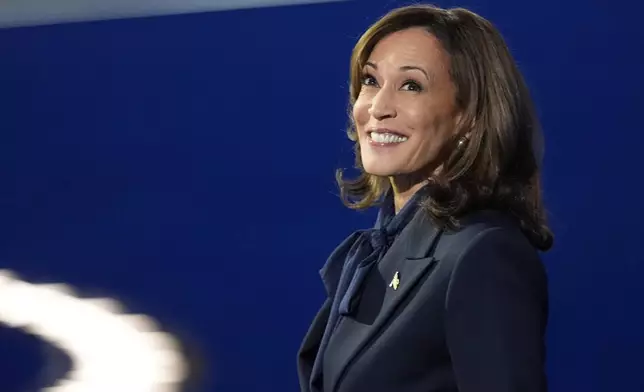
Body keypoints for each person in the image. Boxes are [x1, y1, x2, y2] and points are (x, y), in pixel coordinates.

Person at [297, 4, 554, 392]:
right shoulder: (378, 252)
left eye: (411, 85)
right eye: (370, 81)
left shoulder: (483, 252)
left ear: (467, 116)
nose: (378, 108)